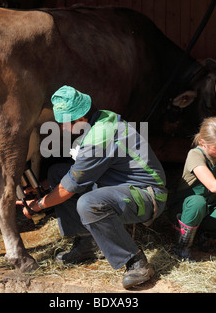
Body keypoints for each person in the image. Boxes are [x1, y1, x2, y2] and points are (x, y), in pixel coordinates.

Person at [18, 85, 167, 289]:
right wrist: (42, 187)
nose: (61, 128)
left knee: (89, 204)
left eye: (64, 123)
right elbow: (77, 172)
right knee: (56, 174)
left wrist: (38, 206)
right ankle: (85, 243)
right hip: (122, 185)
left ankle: (136, 262)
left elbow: (69, 187)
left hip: (148, 196)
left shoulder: (101, 136)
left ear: (79, 119)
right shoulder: (102, 118)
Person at [169, 117, 216, 261]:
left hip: (209, 209)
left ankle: (204, 236)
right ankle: (182, 247)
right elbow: (213, 185)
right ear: (203, 142)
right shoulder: (195, 155)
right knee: (198, 202)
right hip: (185, 209)